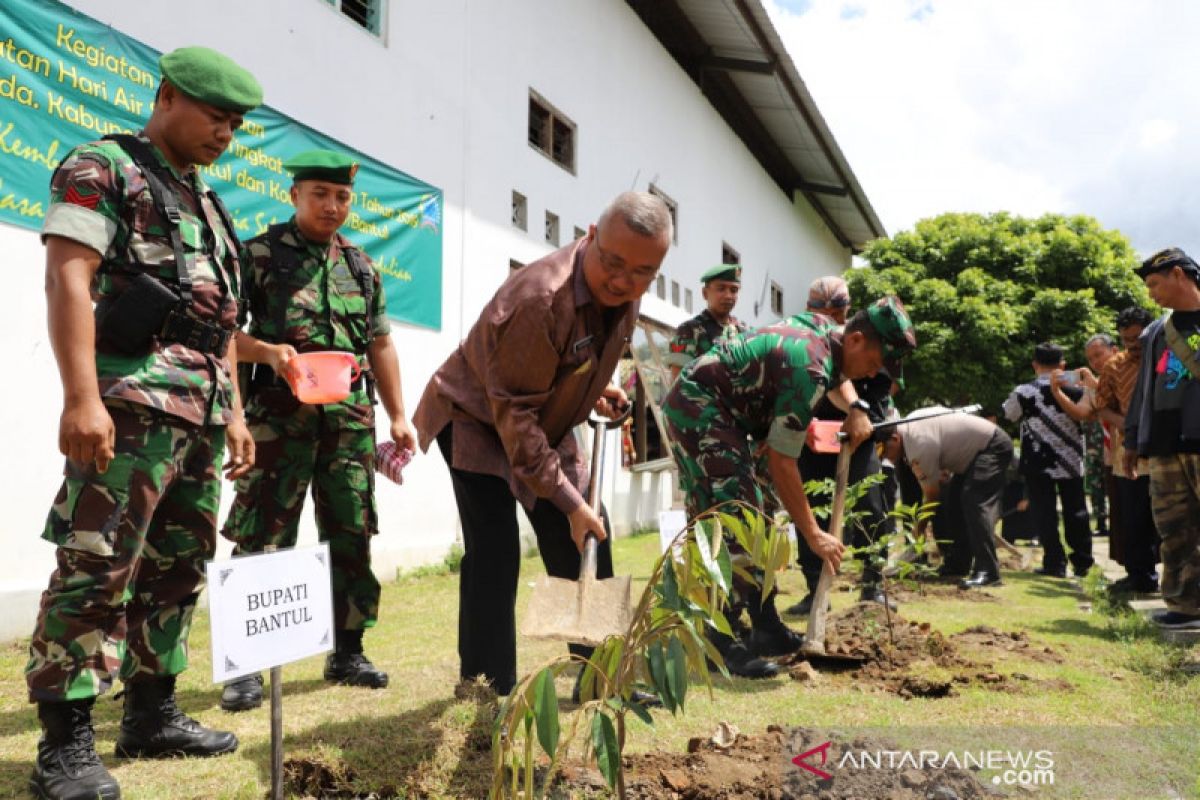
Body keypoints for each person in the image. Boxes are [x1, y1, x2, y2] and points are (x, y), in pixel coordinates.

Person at [25, 47, 261, 800]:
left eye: (235, 124)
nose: (225, 133)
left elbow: (220, 318)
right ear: (164, 95)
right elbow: (69, 275)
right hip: (128, 403)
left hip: (197, 412)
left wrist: (235, 412)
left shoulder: (208, 202)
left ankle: (152, 715)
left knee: (178, 568)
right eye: (214, 116)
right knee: (97, 565)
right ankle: (64, 745)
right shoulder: (105, 168)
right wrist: (81, 398)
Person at [413, 192, 672, 697]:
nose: (622, 281)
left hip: (540, 422)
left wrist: (595, 387)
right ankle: (486, 688)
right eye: (613, 263)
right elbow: (515, 419)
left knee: (590, 534)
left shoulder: (626, 289)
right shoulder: (540, 298)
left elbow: (576, 356)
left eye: (641, 272)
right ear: (591, 237)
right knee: (495, 551)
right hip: (475, 419)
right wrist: (570, 502)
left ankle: (601, 673)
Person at [218, 150, 415, 711]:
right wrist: (259, 376)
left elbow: (379, 344)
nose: (333, 206)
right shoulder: (257, 255)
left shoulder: (361, 267)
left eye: (343, 197)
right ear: (295, 195)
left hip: (349, 422)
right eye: (321, 195)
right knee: (261, 534)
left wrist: (399, 415)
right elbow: (227, 339)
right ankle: (247, 667)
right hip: (277, 421)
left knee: (352, 532)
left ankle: (347, 650)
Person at [663, 298, 916, 675]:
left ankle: (765, 627)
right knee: (735, 518)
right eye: (875, 364)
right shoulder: (809, 369)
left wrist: (857, 406)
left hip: (734, 419)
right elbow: (784, 464)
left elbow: (842, 379)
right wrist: (814, 534)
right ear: (857, 341)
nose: (871, 374)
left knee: (760, 517)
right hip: (701, 408)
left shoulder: (826, 333)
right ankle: (718, 639)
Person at [790, 277, 895, 615]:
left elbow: (882, 389)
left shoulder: (870, 339)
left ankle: (873, 584)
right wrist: (802, 423)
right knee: (810, 510)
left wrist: (861, 414)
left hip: (861, 437)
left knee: (871, 506)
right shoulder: (805, 340)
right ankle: (815, 589)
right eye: (823, 311)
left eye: (838, 312)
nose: (830, 318)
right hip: (813, 439)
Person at [1123, 248, 1200, 630]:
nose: (1151, 293)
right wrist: (1133, 440)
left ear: (1178, 274)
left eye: (1155, 283)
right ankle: (1185, 605)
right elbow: (1144, 390)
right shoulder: (1157, 331)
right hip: (1166, 444)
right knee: (1173, 528)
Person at [1003, 342, 1094, 579]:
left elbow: (1009, 414)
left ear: (1035, 365)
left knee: (1044, 513)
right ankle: (1083, 563)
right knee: (1076, 511)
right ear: (1062, 364)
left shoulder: (1023, 391)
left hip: (1037, 460)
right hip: (1071, 459)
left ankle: (1055, 563)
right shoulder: (1078, 387)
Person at [899, 408, 1013, 588]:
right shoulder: (909, 428)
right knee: (953, 502)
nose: (886, 457)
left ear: (894, 439)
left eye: (884, 450)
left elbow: (932, 495)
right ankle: (958, 564)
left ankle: (989, 571)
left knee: (974, 502)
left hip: (991, 446)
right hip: (970, 455)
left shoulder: (917, 444)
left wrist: (920, 528)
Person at [1095, 307, 1160, 594]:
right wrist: (1128, 424)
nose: (1132, 345)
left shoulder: (1167, 357)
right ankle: (1139, 576)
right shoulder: (1114, 366)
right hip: (1129, 453)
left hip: (1166, 449)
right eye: (1126, 339)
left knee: (1172, 517)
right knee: (1133, 516)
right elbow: (1102, 406)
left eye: (1137, 338)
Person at [666, 264, 748, 381]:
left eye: (733, 290)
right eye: (721, 289)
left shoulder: (743, 333)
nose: (728, 295)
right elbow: (678, 383)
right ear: (705, 293)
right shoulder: (690, 330)